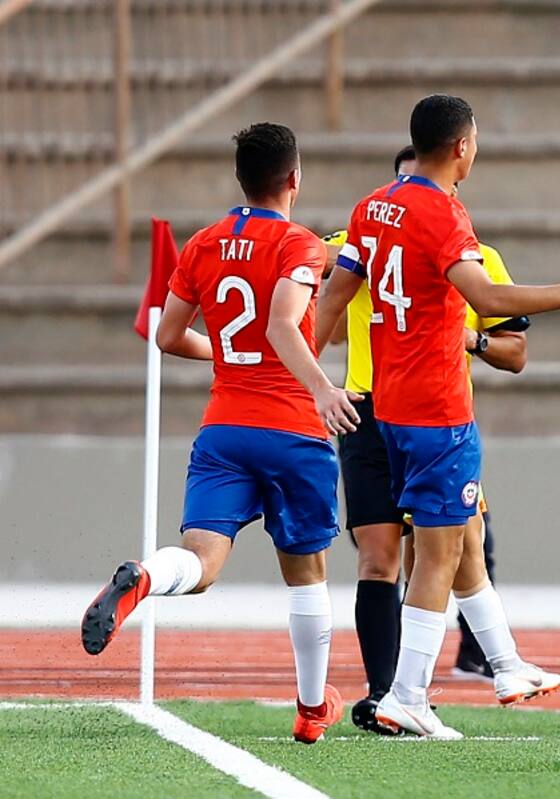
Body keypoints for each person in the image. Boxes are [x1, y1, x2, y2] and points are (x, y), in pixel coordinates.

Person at [316, 94, 560, 739]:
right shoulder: (444, 213)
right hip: (438, 407)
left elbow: (334, 293)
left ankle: (508, 665)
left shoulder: (371, 207)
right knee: (436, 555)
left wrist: (308, 376)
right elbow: (484, 294)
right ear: (462, 146)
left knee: (464, 541)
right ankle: (406, 695)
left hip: (389, 403)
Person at [80, 123, 359, 743]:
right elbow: (283, 325)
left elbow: (167, 335)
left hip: (224, 428)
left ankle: (145, 577)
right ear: (294, 179)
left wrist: (230, 355)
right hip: (291, 429)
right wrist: (322, 388)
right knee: (307, 572)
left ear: (240, 179)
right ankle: (312, 709)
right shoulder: (300, 244)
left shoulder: (204, 242)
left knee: (201, 564)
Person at [322, 146, 530, 735]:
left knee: (455, 548)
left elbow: (515, 352)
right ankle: (390, 692)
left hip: (433, 413)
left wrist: (472, 340)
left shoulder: (477, 256)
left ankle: (474, 669)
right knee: (382, 557)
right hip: (369, 410)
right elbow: (326, 299)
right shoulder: (363, 233)